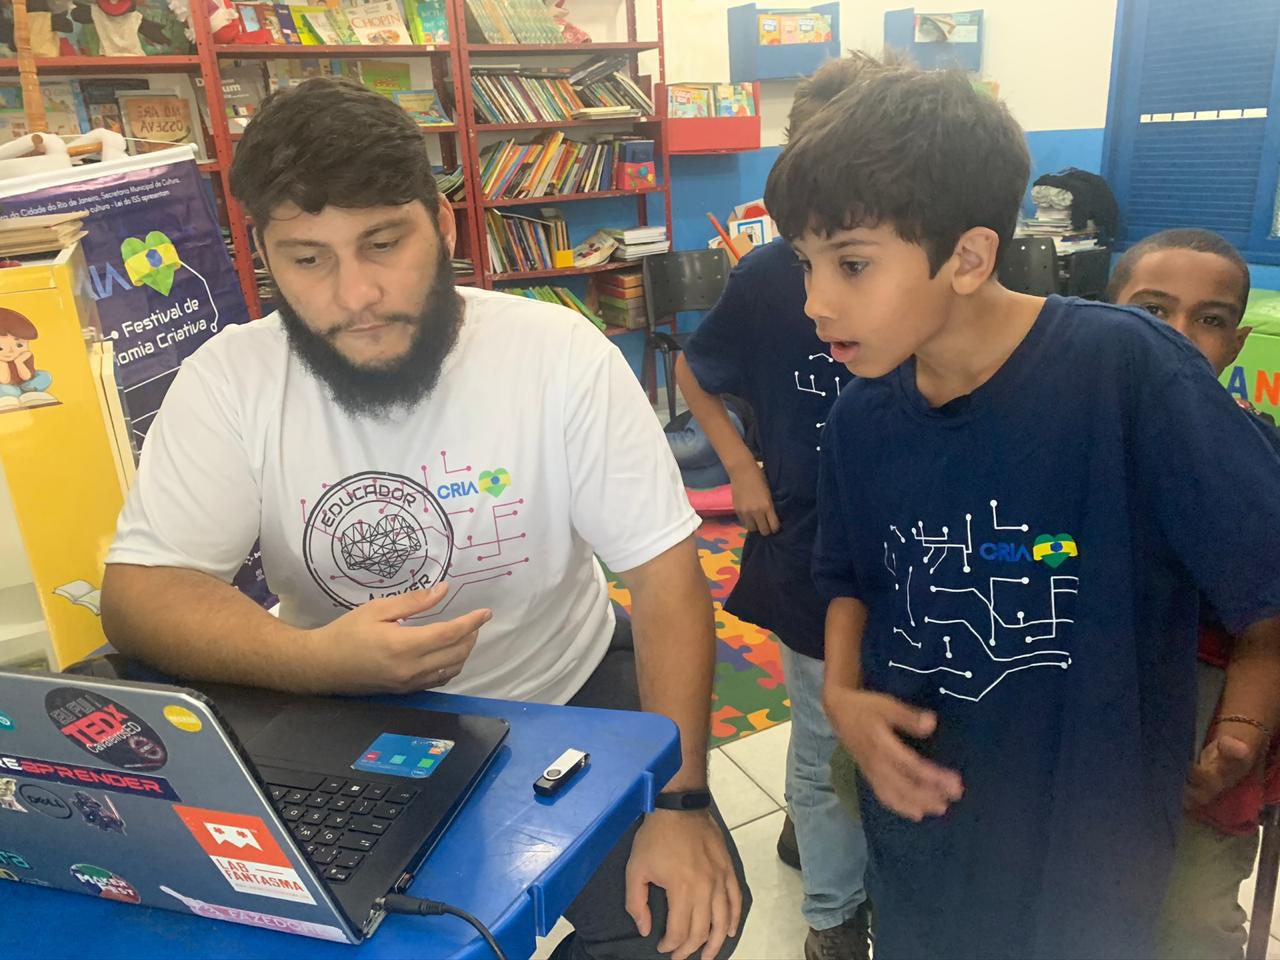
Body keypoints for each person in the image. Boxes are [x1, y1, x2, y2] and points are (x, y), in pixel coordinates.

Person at [99, 77, 748, 960]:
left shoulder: (558, 356)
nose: (356, 294)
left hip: (564, 687)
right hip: (329, 709)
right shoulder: (230, 379)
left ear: (442, 228)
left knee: (684, 926)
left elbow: (667, 582)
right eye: (308, 259)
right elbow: (141, 594)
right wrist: (316, 661)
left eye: (383, 243)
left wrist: (680, 802)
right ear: (266, 257)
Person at [763, 61, 1280, 958]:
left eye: (851, 263)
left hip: (1092, 842)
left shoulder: (1131, 371)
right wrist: (842, 694)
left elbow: (1263, 573)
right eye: (806, 264)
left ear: (968, 257)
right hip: (924, 831)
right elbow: (849, 577)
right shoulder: (860, 417)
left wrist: (1241, 725)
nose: (815, 301)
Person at [674, 52, 888, 960]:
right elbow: (694, 367)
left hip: (903, 545)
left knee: (878, 716)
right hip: (805, 538)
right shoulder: (768, 277)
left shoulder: (913, 276)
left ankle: (817, 834)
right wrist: (741, 467)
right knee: (823, 728)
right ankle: (833, 915)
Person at [1107, 228, 1280, 960]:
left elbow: (1269, 620)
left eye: (1208, 319)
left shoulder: (1260, 458)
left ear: (1235, 344)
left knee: (1192, 926)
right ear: (1102, 321)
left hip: (1206, 757)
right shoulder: (1059, 445)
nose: (1177, 336)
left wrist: (1238, 734)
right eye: (1152, 311)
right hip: (1082, 753)